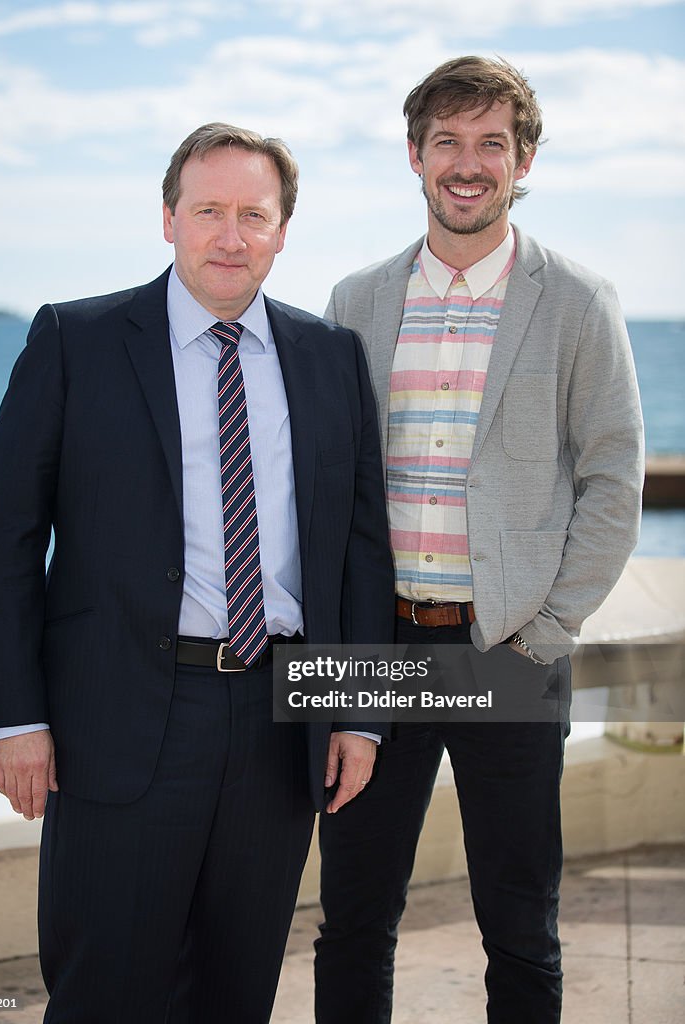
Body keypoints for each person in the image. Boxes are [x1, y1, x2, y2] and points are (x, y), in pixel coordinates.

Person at [0, 122, 394, 1024]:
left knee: (235, 992)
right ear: (168, 218)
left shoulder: (331, 358)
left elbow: (359, 548)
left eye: (254, 214)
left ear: (284, 231)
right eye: (208, 211)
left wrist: (361, 711)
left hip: (281, 727)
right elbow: (7, 539)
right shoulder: (72, 341)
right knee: (104, 991)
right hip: (120, 722)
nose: (230, 236)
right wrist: (17, 716)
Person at [314, 56, 644, 1023]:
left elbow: (612, 478)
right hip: (375, 654)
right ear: (414, 155)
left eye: (490, 144)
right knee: (353, 916)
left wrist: (546, 629)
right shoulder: (356, 301)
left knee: (519, 920)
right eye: (447, 142)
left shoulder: (579, 300)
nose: (468, 164)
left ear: (523, 157)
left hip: (508, 648)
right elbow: (327, 487)